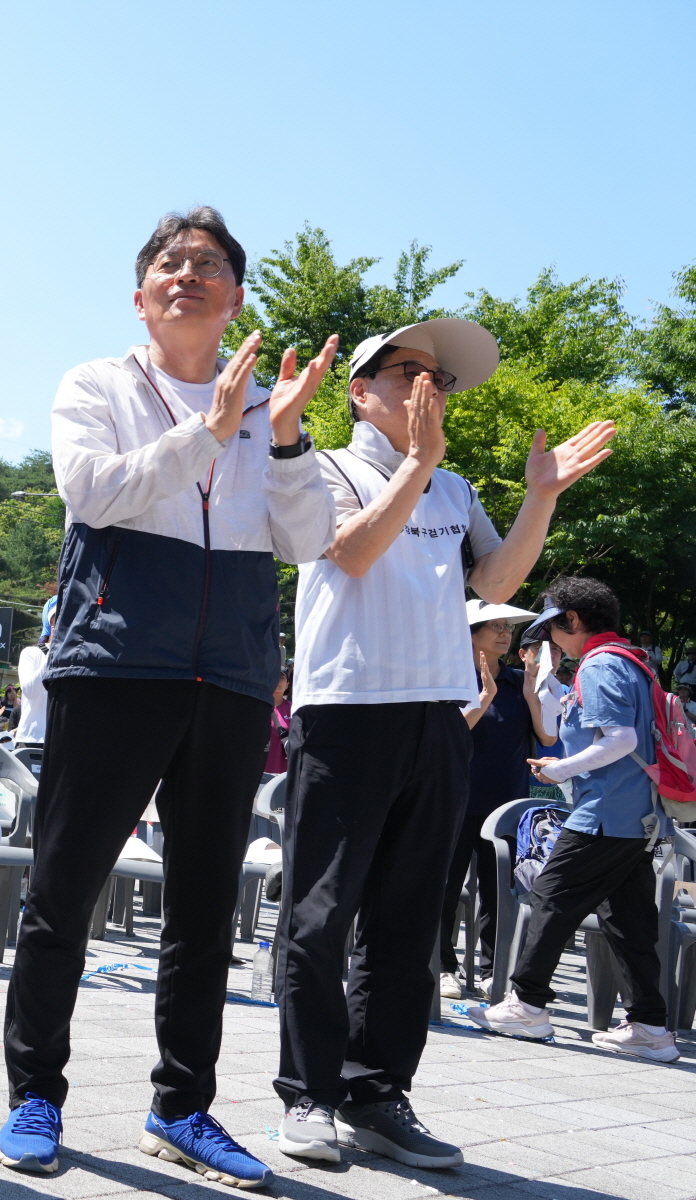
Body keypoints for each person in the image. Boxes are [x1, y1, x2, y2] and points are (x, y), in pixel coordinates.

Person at [0, 208, 338, 1185]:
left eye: (209, 265)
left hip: (230, 678)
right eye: (168, 263)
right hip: (113, 663)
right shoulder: (97, 384)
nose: (186, 274)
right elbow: (94, 492)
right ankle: (35, 1095)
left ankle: (183, 1107)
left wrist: (281, 440)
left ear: (235, 298)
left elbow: (308, 539)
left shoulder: (269, 406)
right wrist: (210, 431)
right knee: (62, 894)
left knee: (202, 910)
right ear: (140, 295)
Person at [277, 318, 615, 1171]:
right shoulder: (326, 466)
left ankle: (378, 1091)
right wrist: (419, 463)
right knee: (322, 912)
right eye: (407, 372)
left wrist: (541, 497)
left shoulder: (456, 489)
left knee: (409, 919)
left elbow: (495, 585)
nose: (429, 387)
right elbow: (349, 554)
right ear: (360, 390)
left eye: (439, 378)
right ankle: (309, 1094)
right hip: (348, 705)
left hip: (438, 712)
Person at [467, 577, 679, 1063]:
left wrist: (559, 768)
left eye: (551, 628)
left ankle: (527, 1004)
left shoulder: (600, 665)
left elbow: (619, 739)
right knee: (626, 919)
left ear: (574, 621)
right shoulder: (634, 661)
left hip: (603, 812)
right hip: (639, 815)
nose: (547, 639)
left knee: (549, 898)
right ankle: (650, 1025)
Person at [438, 601, 555, 1001]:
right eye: (495, 628)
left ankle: (493, 970)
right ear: (470, 634)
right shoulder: (450, 677)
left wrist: (531, 694)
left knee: (499, 894)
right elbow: (448, 736)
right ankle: (442, 966)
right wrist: (484, 697)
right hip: (453, 801)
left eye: (508, 627)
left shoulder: (521, 680)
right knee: (445, 889)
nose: (505, 634)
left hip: (506, 809)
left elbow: (549, 738)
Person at [13, 596, 55, 745]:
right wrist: (53, 654)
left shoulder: (78, 658)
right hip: (33, 738)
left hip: (65, 742)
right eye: (57, 619)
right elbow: (29, 691)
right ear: (49, 624)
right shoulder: (31, 653)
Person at [265, 665, 293, 776]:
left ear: (287, 684)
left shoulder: (294, 709)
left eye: (282, 678)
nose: (278, 681)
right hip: (259, 771)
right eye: (274, 677)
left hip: (285, 773)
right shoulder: (258, 707)